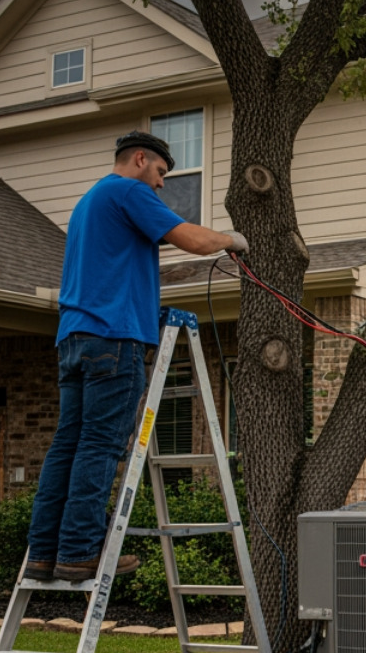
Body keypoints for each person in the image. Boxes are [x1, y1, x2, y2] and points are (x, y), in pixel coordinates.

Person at [25, 131, 248, 583]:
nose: (163, 184)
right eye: (162, 173)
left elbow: (131, 255)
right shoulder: (128, 189)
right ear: (140, 159)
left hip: (74, 340)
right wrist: (234, 240)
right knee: (100, 447)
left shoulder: (90, 203)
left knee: (67, 447)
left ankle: (44, 553)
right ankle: (81, 550)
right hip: (114, 339)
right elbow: (192, 239)